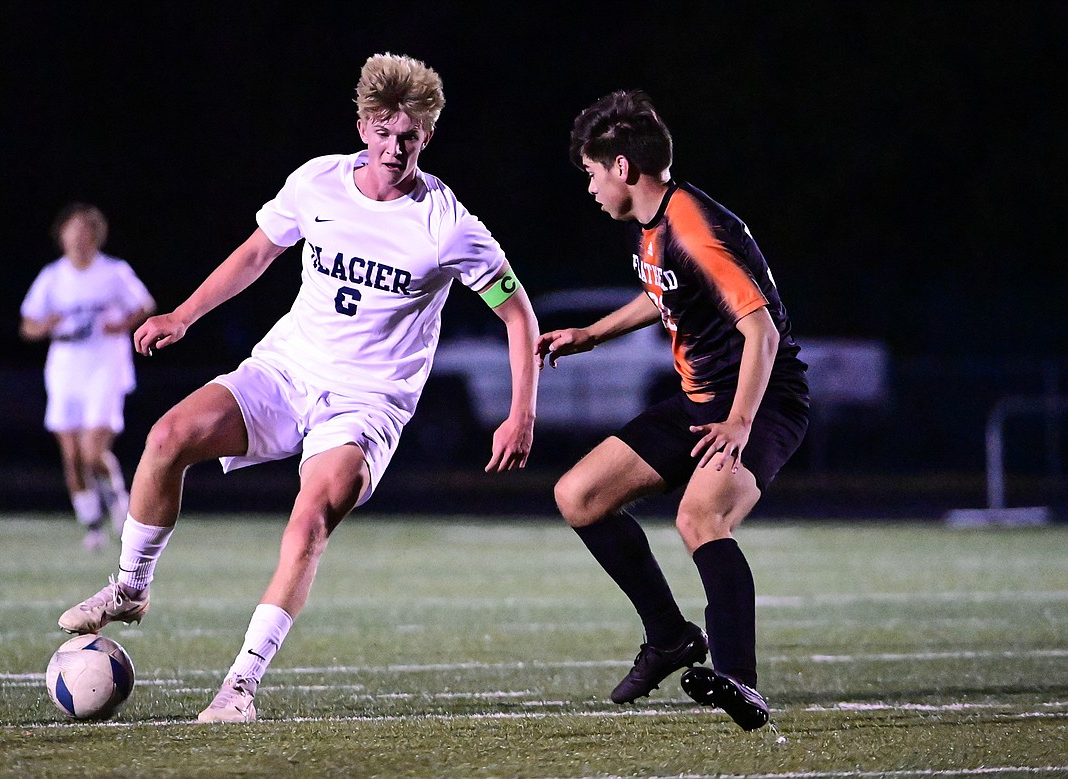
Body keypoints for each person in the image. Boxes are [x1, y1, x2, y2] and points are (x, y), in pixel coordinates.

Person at [57, 53, 539, 723]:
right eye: (385, 131)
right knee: (167, 437)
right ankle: (131, 586)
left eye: (411, 135)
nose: (396, 148)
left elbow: (518, 313)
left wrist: (521, 413)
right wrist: (182, 314)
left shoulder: (447, 224)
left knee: (309, 518)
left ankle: (240, 686)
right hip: (286, 371)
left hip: (366, 403)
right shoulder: (318, 182)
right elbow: (257, 253)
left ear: (427, 135)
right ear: (364, 125)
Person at [536, 90, 808, 731]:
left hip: (762, 399)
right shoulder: (659, 223)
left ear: (622, 169)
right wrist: (592, 334)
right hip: (700, 398)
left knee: (700, 518)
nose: (592, 186)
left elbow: (761, 332)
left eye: (593, 172)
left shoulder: (693, 226)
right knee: (579, 495)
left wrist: (739, 424)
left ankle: (742, 684)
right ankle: (670, 638)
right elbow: (660, 290)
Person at [20, 203, 156, 551]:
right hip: (65, 369)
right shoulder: (53, 276)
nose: (79, 238)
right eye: (72, 230)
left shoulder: (114, 272)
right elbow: (28, 325)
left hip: (105, 365)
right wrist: (44, 326)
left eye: (86, 231)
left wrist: (121, 325)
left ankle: (119, 502)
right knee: (72, 457)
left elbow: (144, 304)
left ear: (97, 235)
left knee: (93, 452)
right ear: (61, 235)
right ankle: (92, 525)